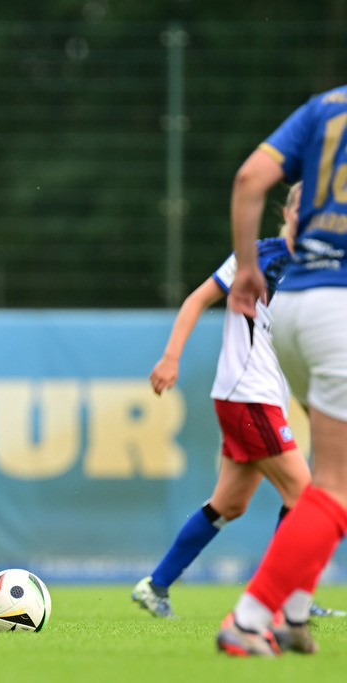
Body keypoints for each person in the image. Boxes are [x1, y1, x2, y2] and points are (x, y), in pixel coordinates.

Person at [133, 183, 314, 619]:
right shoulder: (258, 257)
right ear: (287, 213)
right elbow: (198, 299)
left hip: (260, 398)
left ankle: (155, 586)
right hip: (248, 396)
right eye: (301, 208)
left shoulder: (319, 269)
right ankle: (282, 599)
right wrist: (171, 357)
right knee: (306, 497)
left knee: (229, 504)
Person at [217, 84, 347, 656]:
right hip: (339, 311)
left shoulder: (326, 106)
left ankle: (294, 612)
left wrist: (247, 267)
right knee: (336, 488)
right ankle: (249, 619)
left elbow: (249, 179)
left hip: (291, 307)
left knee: (326, 481)